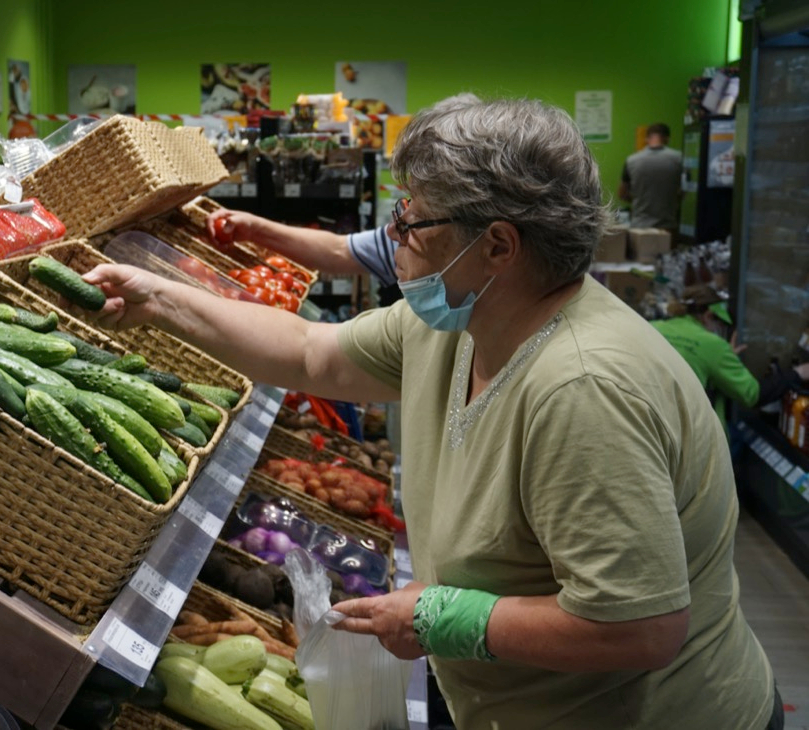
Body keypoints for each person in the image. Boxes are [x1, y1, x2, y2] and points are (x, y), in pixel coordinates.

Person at [82, 98, 780, 729]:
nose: (395, 238)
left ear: (498, 247)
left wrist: (440, 614)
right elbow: (308, 353)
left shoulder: (582, 390)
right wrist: (158, 300)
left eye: (413, 221)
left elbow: (641, 627)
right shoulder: (456, 322)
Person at [205, 93, 483, 300]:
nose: (393, 231)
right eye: (408, 201)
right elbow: (339, 249)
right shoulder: (415, 246)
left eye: (422, 212)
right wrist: (254, 228)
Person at [653, 284, 809, 430]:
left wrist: (723, 360)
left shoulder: (654, 326)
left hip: (653, 422)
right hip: (691, 435)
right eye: (719, 324)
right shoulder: (713, 345)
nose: (718, 329)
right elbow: (752, 395)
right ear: (708, 316)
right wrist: (798, 373)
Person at [618, 122, 683, 232]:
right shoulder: (678, 159)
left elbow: (622, 194)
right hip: (668, 226)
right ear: (667, 139)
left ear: (647, 139)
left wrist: (639, 201)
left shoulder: (632, 160)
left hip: (640, 227)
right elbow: (684, 191)